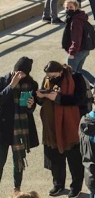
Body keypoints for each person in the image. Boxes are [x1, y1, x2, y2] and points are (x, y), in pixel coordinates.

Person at [37, 62, 88, 198]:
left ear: (60, 72)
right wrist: (40, 97)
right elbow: (43, 100)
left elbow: (80, 99)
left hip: (71, 125)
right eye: (48, 76)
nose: (50, 78)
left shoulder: (76, 78)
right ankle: (58, 185)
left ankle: (75, 187)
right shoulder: (47, 79)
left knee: (74, 159)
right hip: (51, 126)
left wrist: (58, 98)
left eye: (53, 76)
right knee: (56, 159)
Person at [0, 57, 39, 194]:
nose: (19, 76)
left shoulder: (31, 84)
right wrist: (11, 85)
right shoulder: (3, 81)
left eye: (23, 74)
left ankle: (17, 190)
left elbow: (30, 108)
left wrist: (30, 106)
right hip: (3, 128)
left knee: (19, 162)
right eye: (17, 72)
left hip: (20, 129)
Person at [61, 0, 95, 94]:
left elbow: (76, 38)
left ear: (76, 7)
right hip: (84, 49)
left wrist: (72, 52)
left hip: (77, 51)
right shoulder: (79, 17)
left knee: (69, 72)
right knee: (78, 70)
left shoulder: (75, 21)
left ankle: (79, 90)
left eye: (71, 7)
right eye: (66, 8)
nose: (68, 9)